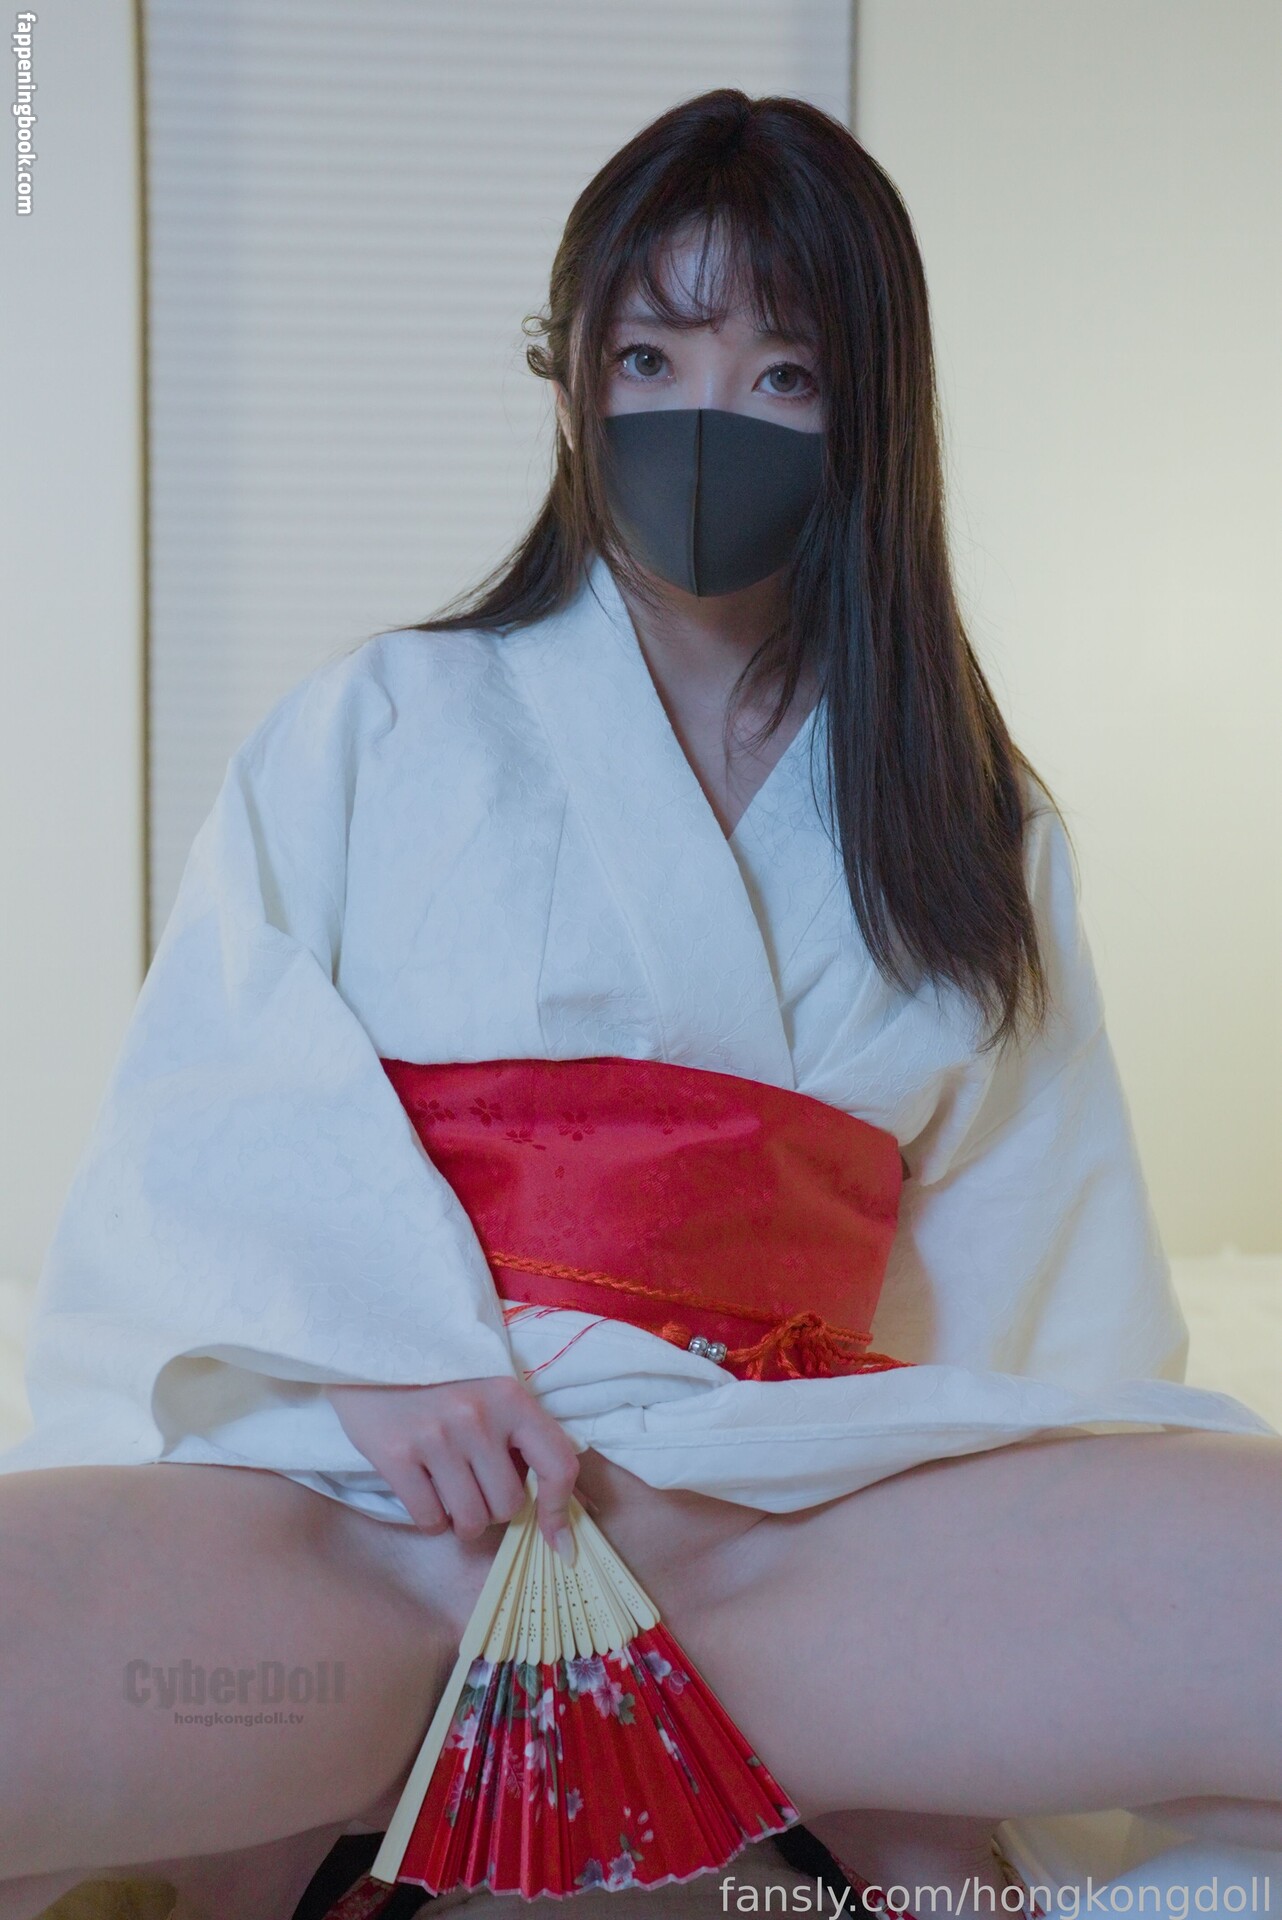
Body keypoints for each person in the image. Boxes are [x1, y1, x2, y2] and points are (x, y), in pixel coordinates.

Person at [1, 88, 1279, 1920]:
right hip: (378, 1525)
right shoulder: (379, 724)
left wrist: (995, 1553)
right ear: (570, 385)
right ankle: (381, 1761)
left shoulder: (970, 822)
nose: (703, 416)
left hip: (784, 1542)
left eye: (782, 375)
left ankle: (792, 1761)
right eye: (648, 357)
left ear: (871, 411)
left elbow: (1039, 1271)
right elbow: (210, 1099)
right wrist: (381, 1350)